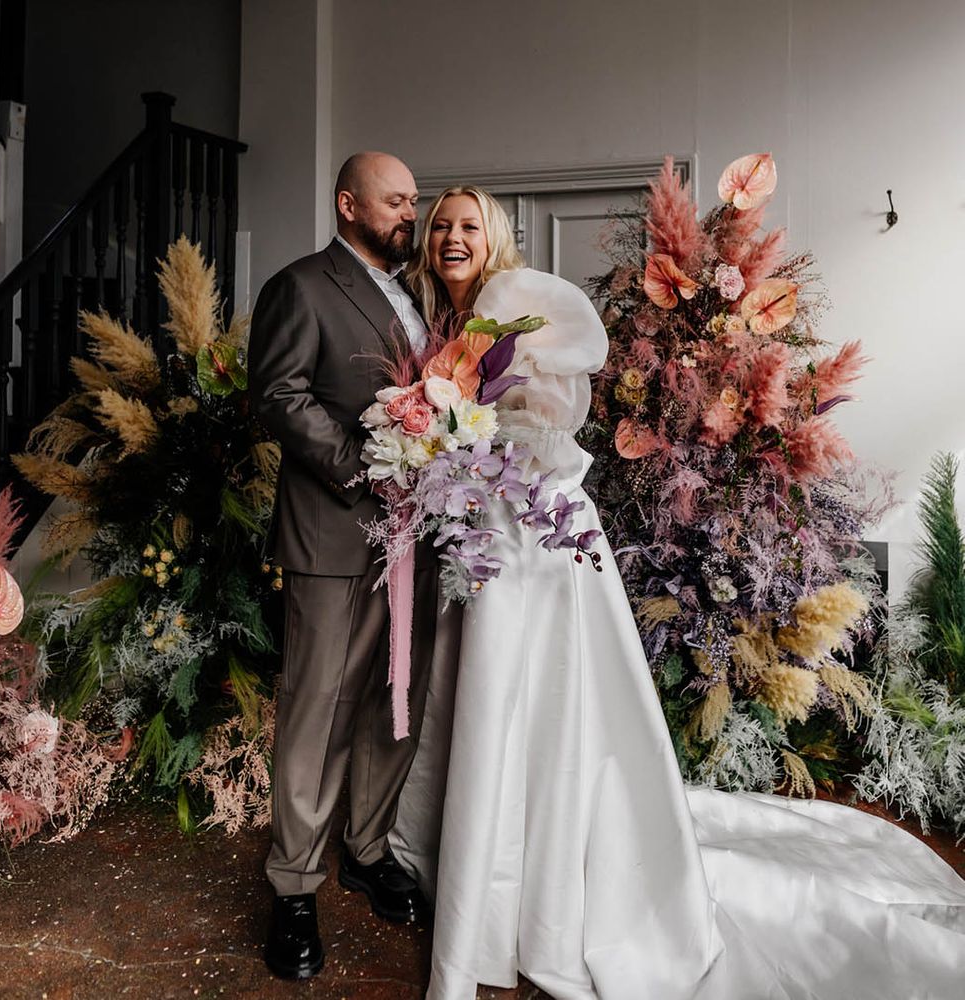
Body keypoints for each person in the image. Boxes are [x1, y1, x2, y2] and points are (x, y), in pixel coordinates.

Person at [391, 186, 965, 1000]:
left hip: (530, 535)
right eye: (442, 226)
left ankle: (526, 890)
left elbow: (554, 417)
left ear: (495, 238)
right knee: (481, 698)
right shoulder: (434, 317)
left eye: (469, 226)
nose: (452, 237)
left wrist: (466, 438)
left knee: (525, 699)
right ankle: (475, 858)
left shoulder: (511, 299)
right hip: (480, 527)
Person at [248, 152, 445, 981]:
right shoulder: (301, 286)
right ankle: (294, 885)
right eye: (395, 200)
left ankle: (366, 849)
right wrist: (371, 467)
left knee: (394, 696)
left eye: (412, 200)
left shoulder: (424, 295)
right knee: (318, 708)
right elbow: (278, 395)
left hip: (418, 538)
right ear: (348, 204)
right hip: (334, 536)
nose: (410, 213)